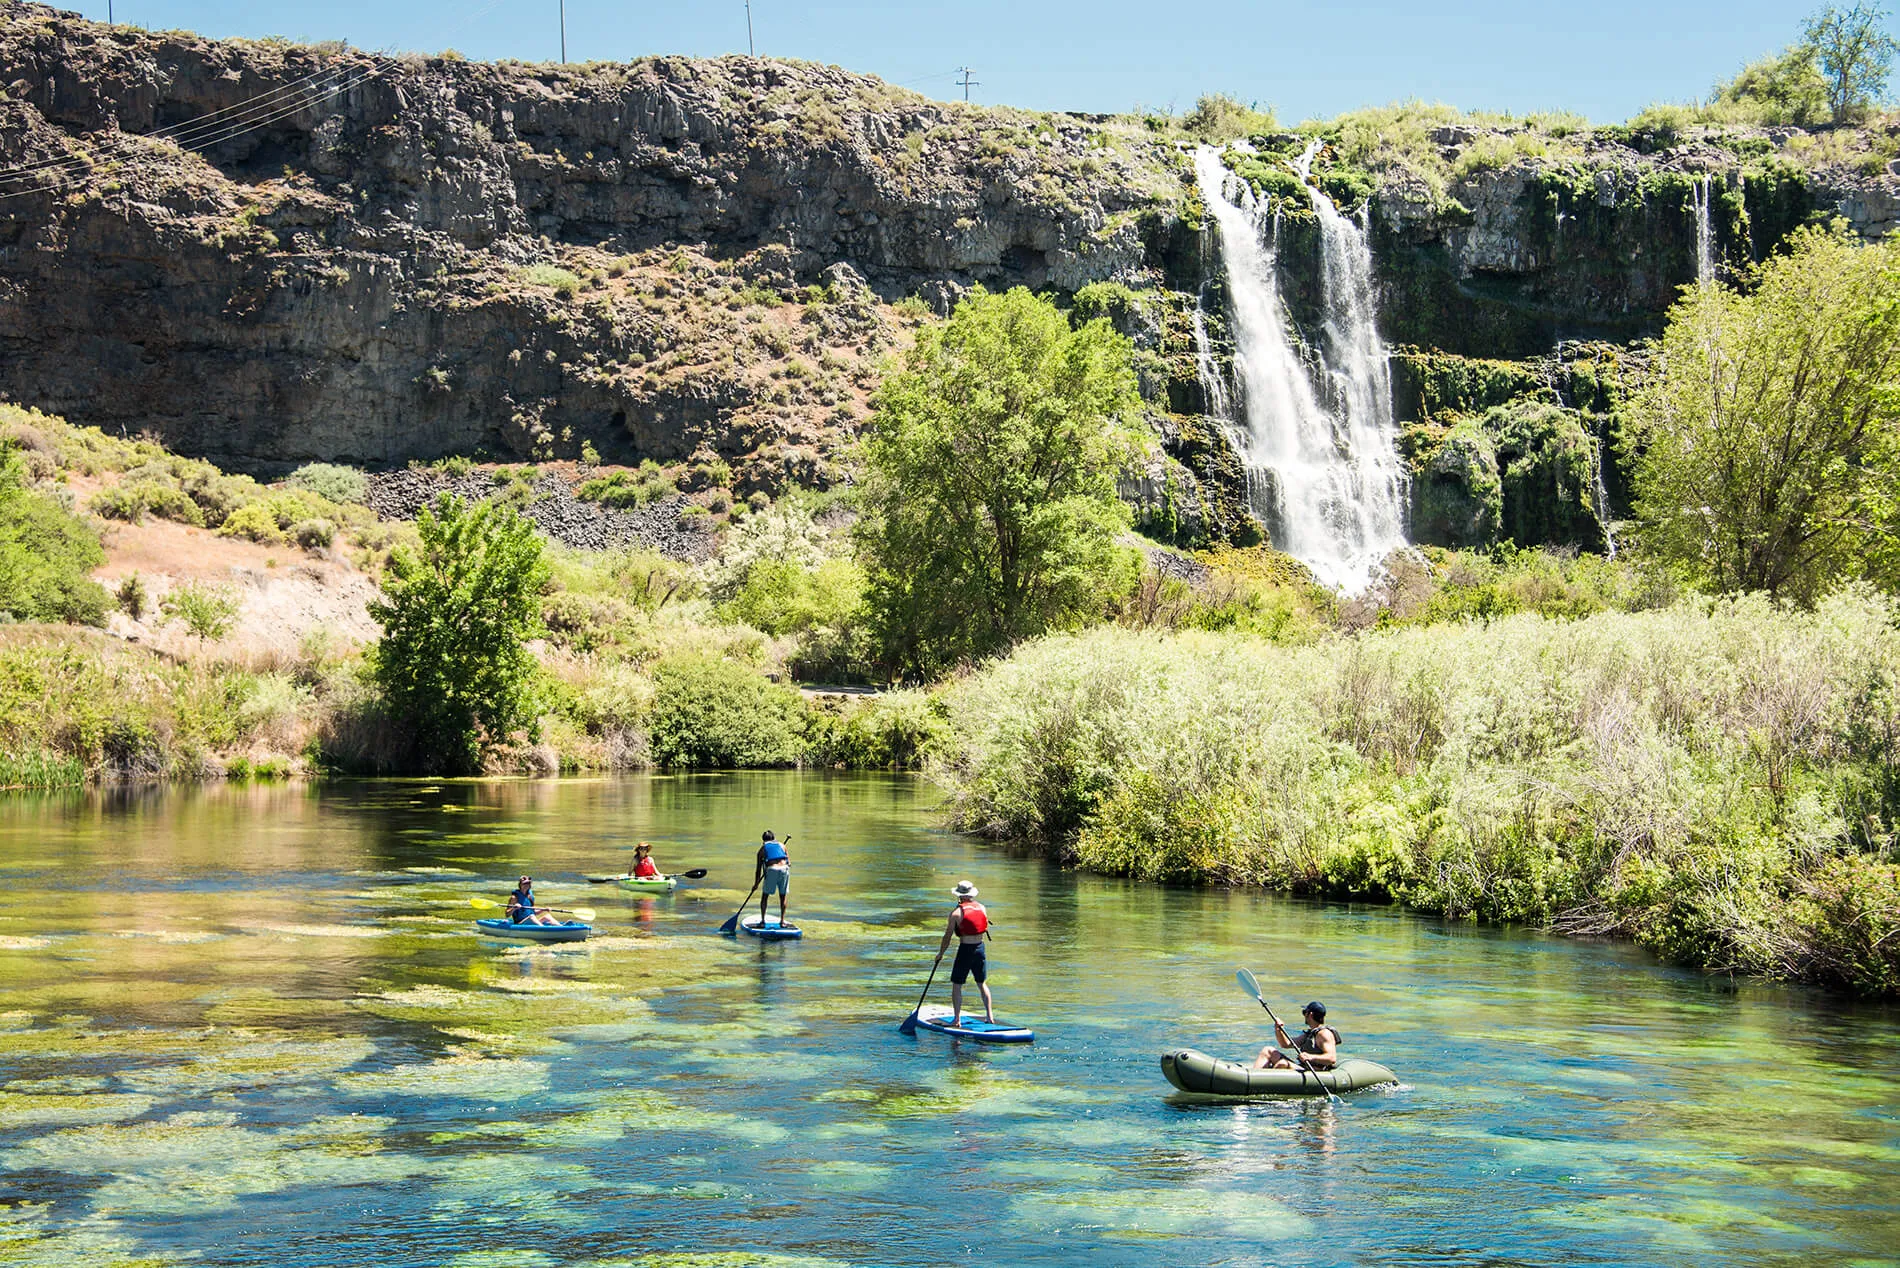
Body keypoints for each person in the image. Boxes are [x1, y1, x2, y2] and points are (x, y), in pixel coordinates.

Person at [936, 880, 994, 1026]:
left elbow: (947, 936)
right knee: (981, 983)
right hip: (980, 948)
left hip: (965, 950)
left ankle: (957, 1020)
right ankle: (989, 1016)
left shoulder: (956, 913)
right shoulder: (982, 908)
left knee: (957, 984)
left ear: (959, 896)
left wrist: (940, 954)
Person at [1253, 1001, 1340, 1070]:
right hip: (1303, 1067)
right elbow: (1285, 1044)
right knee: (1268, 1050)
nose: (1304, 1016)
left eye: (1304, 1012)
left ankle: (1264, 1084)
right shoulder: (1310, 1034)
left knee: (1283, 1064)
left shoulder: (1324, 1034)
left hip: (1314, 1072)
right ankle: (1253, 1078)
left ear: (1310, 1014)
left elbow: (1331, 1058)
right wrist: (1278, 1029)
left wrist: (1310, 1057)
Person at [755, 830, 790, 925]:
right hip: (784, 869)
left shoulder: (762, 850)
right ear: (774, 838)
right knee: (783, 896)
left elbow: (758, 870)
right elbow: (789, 863)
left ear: (763, 840)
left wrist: (756, 884)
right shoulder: (782, 845)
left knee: (765, 896)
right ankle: (782, 921)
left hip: (772, 869)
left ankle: (763, 921)